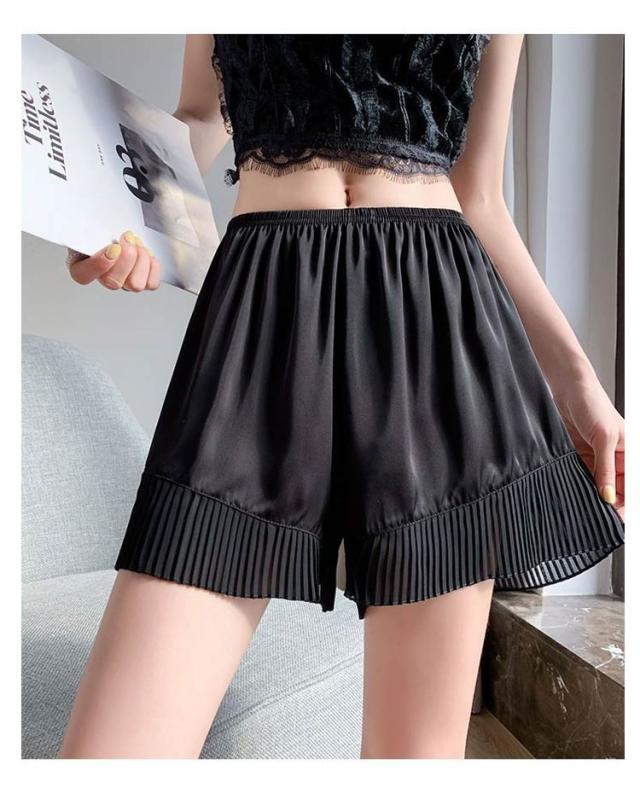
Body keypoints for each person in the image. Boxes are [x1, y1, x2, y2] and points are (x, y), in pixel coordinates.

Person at [58, 34, 625, 759]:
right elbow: (200, 115)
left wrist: (580, 384)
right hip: (264, 314)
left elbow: (479, 195)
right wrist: (106, 207)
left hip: (435, 327)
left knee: (411, 765)